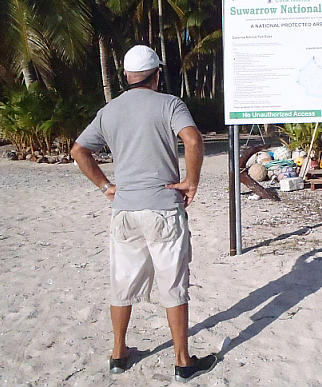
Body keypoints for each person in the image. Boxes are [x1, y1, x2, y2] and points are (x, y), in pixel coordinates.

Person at [71, 45, 216, 382]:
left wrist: (107, 187)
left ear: (125, 76)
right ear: (157, 75)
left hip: (124, 211)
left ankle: (119, 353)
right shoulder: (170, 104)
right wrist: (190, 183)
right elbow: (193, 142)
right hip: (163, 209)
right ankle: (182, 361)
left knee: (122, 283)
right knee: (173, 283)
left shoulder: (109, 111)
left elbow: (79, 150)